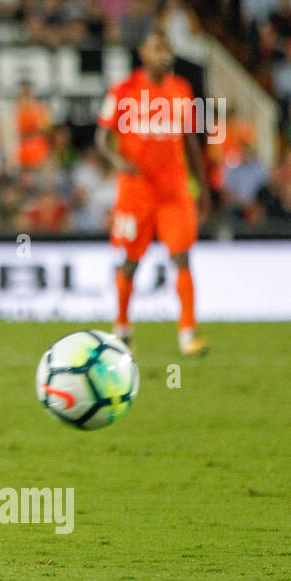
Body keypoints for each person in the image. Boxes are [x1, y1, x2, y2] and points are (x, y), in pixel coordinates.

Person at [95, 30, 211, 356]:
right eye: (156, 47)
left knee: (182, 257)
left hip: (174, 192)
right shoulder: (123, 92)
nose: (164, 53)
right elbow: (101, 139)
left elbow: (189, 141)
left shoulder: (181, 91)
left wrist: (200, 185)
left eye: (167, 47)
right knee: (130, 262)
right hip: (136, 194)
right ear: (142, 52)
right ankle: (122, 329)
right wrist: (119, 159)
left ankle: (188, 335)